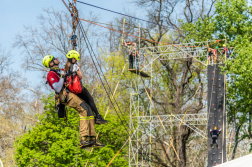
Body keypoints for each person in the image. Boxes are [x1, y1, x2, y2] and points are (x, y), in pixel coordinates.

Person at [42, 54, 105, 148]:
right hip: (64, 94)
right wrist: (63, 77)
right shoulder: (51, 74)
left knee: (88, 109)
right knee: (83, 109)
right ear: (51, 63)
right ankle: (83, 139)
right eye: (54, 59)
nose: (56, 59)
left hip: (69, 93)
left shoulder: (60, 70)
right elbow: (58, 88)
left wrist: (72, 59)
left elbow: (67, 70)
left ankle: (92, 138)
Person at [64, 50, 108, 125]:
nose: (76, 60)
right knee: (90, 99)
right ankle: (97, 116)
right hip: (78, 88)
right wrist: (78, 69)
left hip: (71, 89)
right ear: (73, 59)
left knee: (86, 103)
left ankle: (93, 117)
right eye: (76, 59)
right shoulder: (75, 66)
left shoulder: (66, 67)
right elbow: (80, 76)